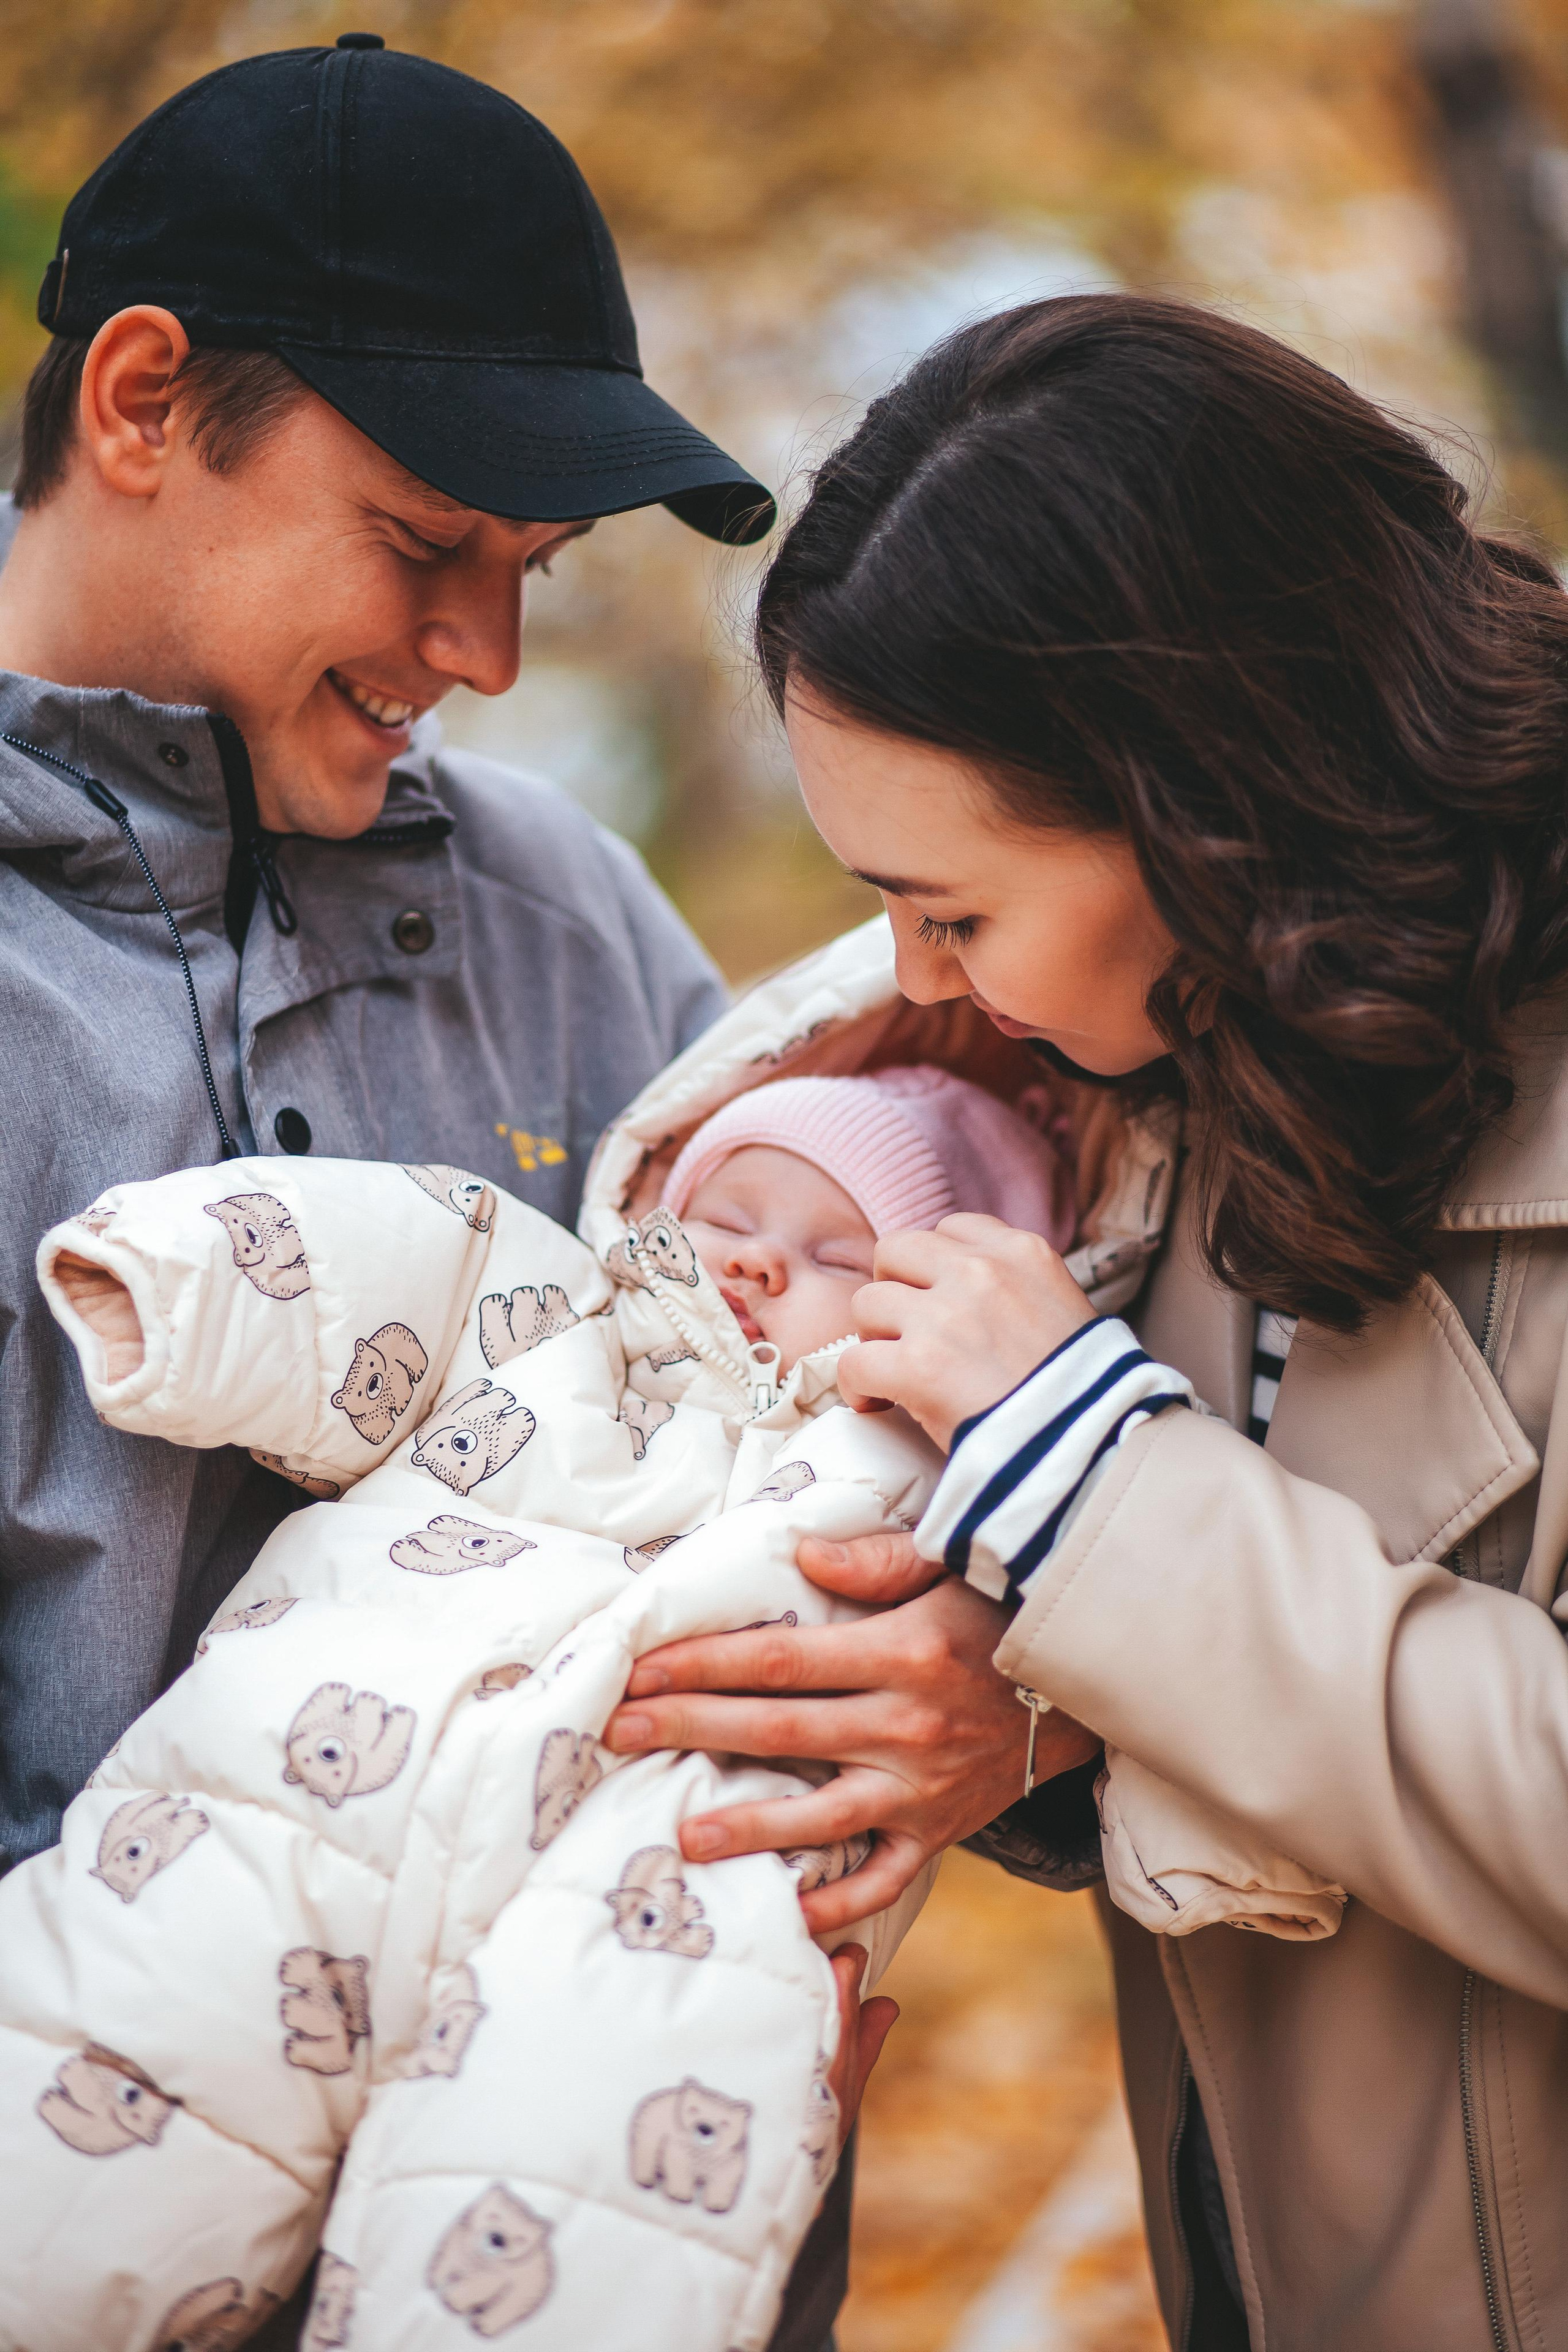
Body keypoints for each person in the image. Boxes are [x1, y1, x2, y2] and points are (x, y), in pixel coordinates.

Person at [601, 294, 1568, 2351]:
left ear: (1211, 792)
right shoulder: (1186, 1077)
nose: (922, 976)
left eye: (955, 911)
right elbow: (1287, 1673)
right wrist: (1022, 1718)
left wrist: (1100, 1490)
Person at [5, 997, 1072, 2345]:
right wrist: (172, 1278)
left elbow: (1099, 1624)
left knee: (552, 2236)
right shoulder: (560, 1323)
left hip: (646, 1922)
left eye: (833, 1253)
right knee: (100, 2107)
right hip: (295, 1813)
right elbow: (399, 1266)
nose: (750, 1265)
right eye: (727, 1217)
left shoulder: (927, 1482)